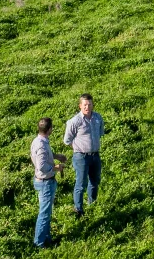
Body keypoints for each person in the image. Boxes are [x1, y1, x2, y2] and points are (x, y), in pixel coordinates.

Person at [63, 93, 103, 217]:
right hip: (81, 156)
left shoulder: (98, 118)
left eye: (89, 104)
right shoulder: (74, 121)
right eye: (85, 105)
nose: (87, 107)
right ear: (80, 106)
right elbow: (67, 140)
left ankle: (92, 203)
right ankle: (78, 209)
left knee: (94, 181)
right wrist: (77, 148)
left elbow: (100, 133)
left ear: (92, 105)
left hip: (95, 155)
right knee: (80, 183)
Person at [30, 118, 64, 248]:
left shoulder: (37, 140)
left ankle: (47, 239)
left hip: (42, 181)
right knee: (44, 214)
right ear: (49, 129)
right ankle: (39, 243)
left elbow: (43, 157)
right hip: (45, 182)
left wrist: (55, 156)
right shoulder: (42, 145)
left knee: (47, 212)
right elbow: (42, 166)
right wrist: (56, 168)